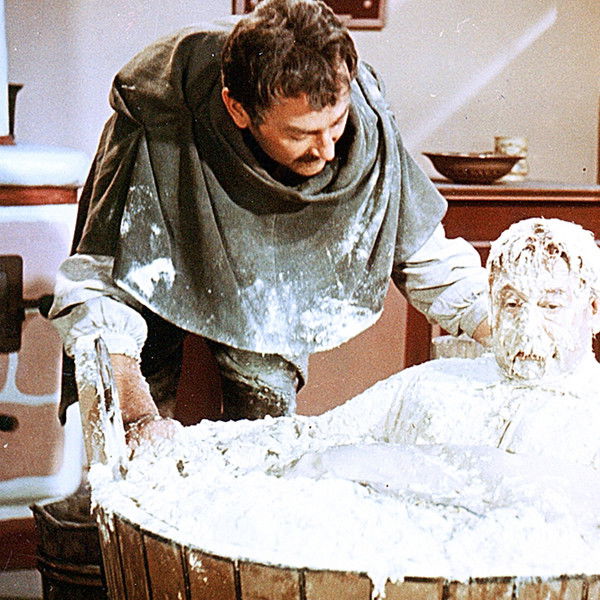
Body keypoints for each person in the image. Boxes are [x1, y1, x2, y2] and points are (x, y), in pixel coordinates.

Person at [49, 0, 490, 446]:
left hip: (267, 295)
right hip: (160, 271)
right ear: (238, 109)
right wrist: (135, 414)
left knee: (266, 420)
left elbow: (426, 256)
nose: (327, 151)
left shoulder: (364, 119)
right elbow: (99, 282)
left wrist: (502, 329)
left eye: (335, 124)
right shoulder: (158, 116)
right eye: (299, 133)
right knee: (134, 434)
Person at [305, 217, 600, 469]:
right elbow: (309, 442)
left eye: (551, 306)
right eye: (512, 304)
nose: (526, 328)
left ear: (594, 310)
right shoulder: (425, 384)